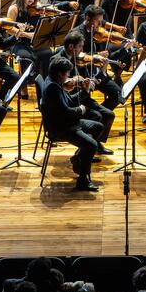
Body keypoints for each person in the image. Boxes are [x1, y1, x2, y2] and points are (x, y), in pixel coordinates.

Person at [40, 57, 104, 191]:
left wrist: (85, 91)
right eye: (67, 73)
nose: (69, 76)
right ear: (60, 73)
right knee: (92, 145)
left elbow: (69, 101)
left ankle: (78, 158)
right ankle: (82, 181)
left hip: (67, 122)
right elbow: (65, 112)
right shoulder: (53, 87)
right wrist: (80, 110)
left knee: (99, 127)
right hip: (61, 127)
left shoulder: (54, 81)